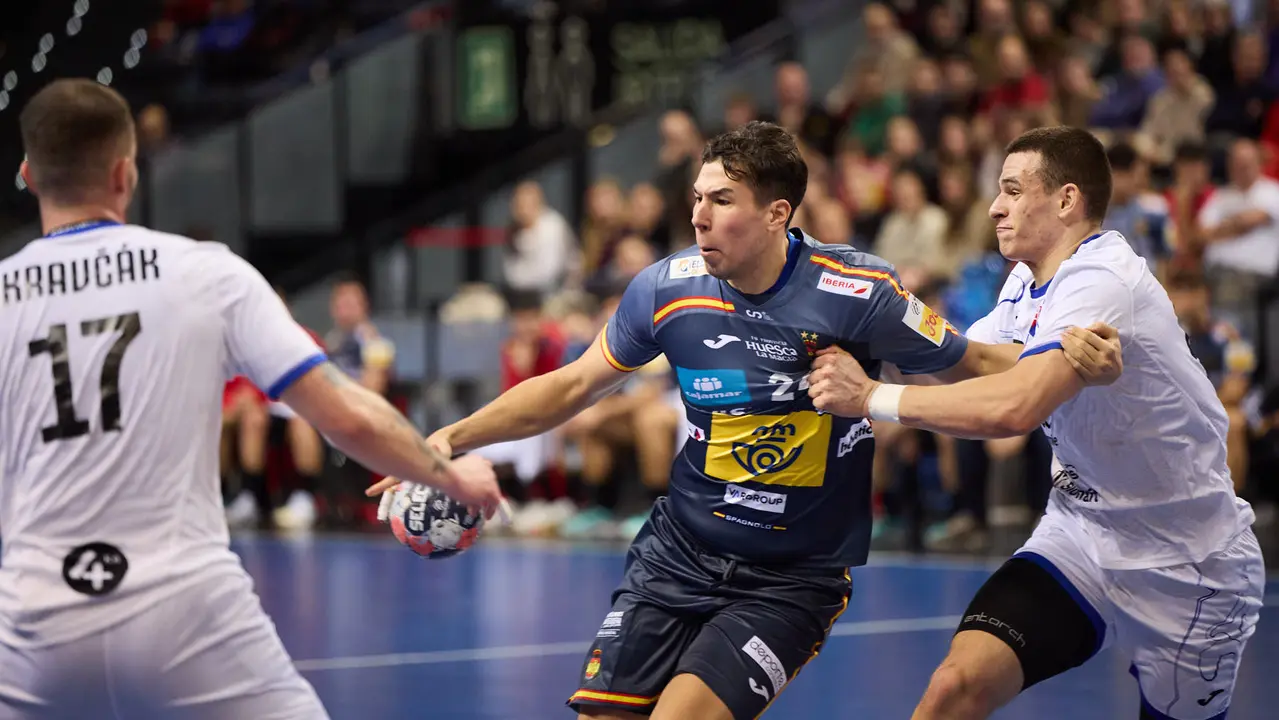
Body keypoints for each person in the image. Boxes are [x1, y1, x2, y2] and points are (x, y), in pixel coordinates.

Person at [367, 121, 1121, 720]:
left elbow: (974, 365)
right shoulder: (667, 291)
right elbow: (571, 386)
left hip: (789, 580)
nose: (697, 215)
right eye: (696, 198)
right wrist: (446, 438)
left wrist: (1063, 348)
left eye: (720, 200)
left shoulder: (858, 291)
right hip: (677, 556)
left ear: (775, 213)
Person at [0, 78, 502, 719]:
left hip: (34, 618)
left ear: (28, 174)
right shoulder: (206, 274)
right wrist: (449, 475)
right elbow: (343, 413)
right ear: (126, 173)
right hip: (184, 606)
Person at [804, 126, 1265, 720]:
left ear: (1067, 200)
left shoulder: (1101, 278)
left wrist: (870, 396)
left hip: (1185, 559)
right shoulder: (1028, 278)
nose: (995, 206)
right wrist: (873, 315)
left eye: (1013, 190)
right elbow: (971, 361)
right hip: (1080, 533)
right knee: (955, 687)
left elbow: (1012, 407)